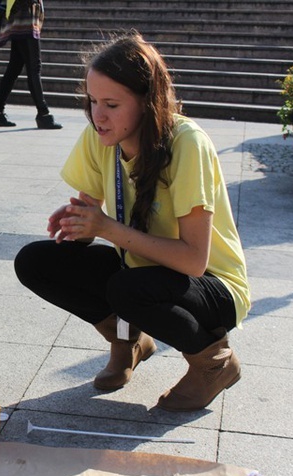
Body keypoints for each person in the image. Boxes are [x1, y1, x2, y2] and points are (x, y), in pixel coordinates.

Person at [14, 32, 251, 412]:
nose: (97, 116)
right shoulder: (101, 136)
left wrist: (106, 227)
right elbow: (93, 212)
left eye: (111, 104)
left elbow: (194, 260)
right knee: (35, 262)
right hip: (141, 271)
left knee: (127, 288)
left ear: (147, 103)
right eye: (92, 101)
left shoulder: (187, 143)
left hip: (212, 285)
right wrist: (78, 222)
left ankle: (214, 364)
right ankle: (128, 340)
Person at [0, 0, 61, 129]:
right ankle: (43, 114)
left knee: (14, 68)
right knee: (34, 68)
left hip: (20, 18)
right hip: (25, 18)